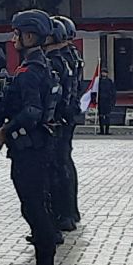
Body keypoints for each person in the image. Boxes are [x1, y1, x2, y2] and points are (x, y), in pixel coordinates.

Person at [0, 9, 59, 265]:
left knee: (34, 207)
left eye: (17, 33)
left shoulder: (31, 71)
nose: (13, 37)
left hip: (30, 148)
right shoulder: (35, 66)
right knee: (33, 206)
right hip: (33, 147)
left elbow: (32, 111)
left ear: (29, 36)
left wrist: (4, 131)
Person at [44, 19, 77, 232]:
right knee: (64, 164)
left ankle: (63, 215)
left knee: (57, 168)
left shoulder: (55, 61)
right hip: (67, 116)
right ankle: (69, 212)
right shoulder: (70, 57)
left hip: (57, 120)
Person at [97, 69, 115, 135]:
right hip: (100, 100)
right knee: (101, 116)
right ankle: (101, 130)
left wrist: (113, 100)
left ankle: (107, 130)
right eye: (103, 72)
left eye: (105, 73)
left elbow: (113, 91)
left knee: (107, 116)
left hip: (108, 100)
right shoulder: (98, 82)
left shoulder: (109, 82)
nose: (104, 74)